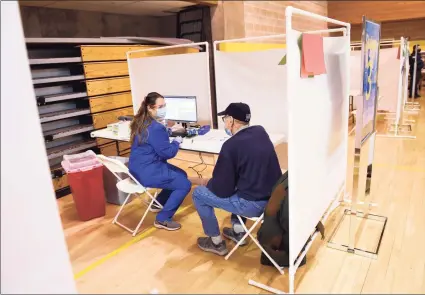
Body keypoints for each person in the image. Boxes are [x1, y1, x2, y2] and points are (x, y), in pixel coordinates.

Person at [192, 102, 282, 256]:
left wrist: (206, 182)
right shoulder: (260, 132)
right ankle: (238, 231)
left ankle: (215, 242)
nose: (225, 123)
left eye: (225, 119)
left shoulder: (231, 145)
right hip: (275, 198)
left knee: (198, 193)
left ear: (231, 120)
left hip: (254, 205)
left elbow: (222, 190)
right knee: (238, 184)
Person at [128, 92, 191, 231]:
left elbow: (152, 139)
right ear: (150, 108)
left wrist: (167, 131)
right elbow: (168, 153)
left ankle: (158, 203)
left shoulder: (140, 121)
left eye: (165, 105)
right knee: (184, 184)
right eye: (161, 106)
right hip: (149, 171)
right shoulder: (156, 127)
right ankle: (162, 219)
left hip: (136, 169)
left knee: (182, 174)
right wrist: (177, 141)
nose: (164, 109)